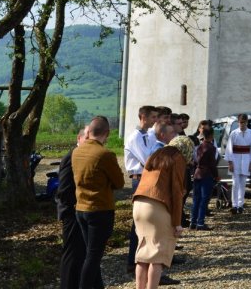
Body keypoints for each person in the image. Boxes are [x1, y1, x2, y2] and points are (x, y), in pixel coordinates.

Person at [72, 115, 125, 289]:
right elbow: (119, 183)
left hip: (81, 208)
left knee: (91, 255)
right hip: (99, 209)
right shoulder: (105, 154)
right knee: (93, 257)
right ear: (107, 133)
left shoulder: (76, 151)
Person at [132, 139, 188, 289]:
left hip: (138, 204)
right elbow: (176, 192)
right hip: (156, 206)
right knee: (157, 255)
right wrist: (177, 222)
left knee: (142, 255)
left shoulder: (155, 155)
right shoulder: (178, 158)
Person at [123, 106, 159, 273]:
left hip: (146, 177)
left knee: (148, 220)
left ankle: (146, 261)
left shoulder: (148, 135)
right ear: (143, 117)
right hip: (139, 179)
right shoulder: (135, 137)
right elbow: (148, 159)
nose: (155, 120)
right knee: (139, 221)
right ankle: (134, 261)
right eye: (152, 117)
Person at [57, 126, 89, 289]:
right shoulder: (71, 156)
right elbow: (64, 189)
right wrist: (74, 207)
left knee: (82, 254)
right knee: (72, 255)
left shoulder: (83, 156)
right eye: (87, 140)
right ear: (79, 138)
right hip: (72, 212)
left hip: (82, 211)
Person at [225, 114, 251, 214]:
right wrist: (230, 162)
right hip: (235, 159)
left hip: (246, 159)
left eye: (244, 122)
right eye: (240, 122)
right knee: (235, 183)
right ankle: (234, 205)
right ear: (238, 122)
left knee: (243, 184)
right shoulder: (234, 133)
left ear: (247, 122)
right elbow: (229, 149)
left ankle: (240, 204)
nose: (242, 124)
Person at [190, 121, 218, 231]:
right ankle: (200, 222)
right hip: (206, 175)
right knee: (204, 199)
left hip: (197, 173)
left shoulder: (199, 147)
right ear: (211, 136)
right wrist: (216, 175)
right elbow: (212, 164)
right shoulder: (211, 148)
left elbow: (195, 161)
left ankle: (193, 221)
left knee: (196, 199)